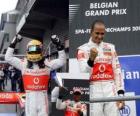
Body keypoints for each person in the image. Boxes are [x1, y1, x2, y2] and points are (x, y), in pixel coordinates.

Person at [5, 34, 66, 116]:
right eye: (32, 50)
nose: (34, 52)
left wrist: (59, 44)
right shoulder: (24, 64)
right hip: (30, 100)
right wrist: (14, 42)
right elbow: (8, 58)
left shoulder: (46, 64)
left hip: (42, 100)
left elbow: (62, 61)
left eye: (36, 50)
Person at [77, 20, 125, 116]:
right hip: (94, 89)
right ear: (91, 31)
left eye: (102, 33)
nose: (100, 36)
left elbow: (117, 71)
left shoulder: (110, 48)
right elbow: (83, 73)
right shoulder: (82, 49)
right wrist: (91, 59)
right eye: (97, 33)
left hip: (110, 88)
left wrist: (121, 94)